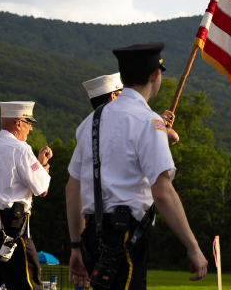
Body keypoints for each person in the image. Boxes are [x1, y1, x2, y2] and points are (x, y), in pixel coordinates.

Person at [66, 42, 208, 289]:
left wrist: (76, 247)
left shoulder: (90, 121)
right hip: (124, 238)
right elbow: (163, 193)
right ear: (156, 75)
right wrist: (193, 246)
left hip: (90, 237)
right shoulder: (148, 121)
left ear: (122, 77)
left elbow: (71, 190)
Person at [0, 101, 53, 290]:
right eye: (28, 123)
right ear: (18, 123)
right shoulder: (21, 149)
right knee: (29, 284)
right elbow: (42, 188)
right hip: (12, 227)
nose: (30, 129)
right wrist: (43, 165)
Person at [83, 72, 179, 145]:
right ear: (112, 96)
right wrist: (158, 122)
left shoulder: (85, 129)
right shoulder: (127, 121)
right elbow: (172, 136)